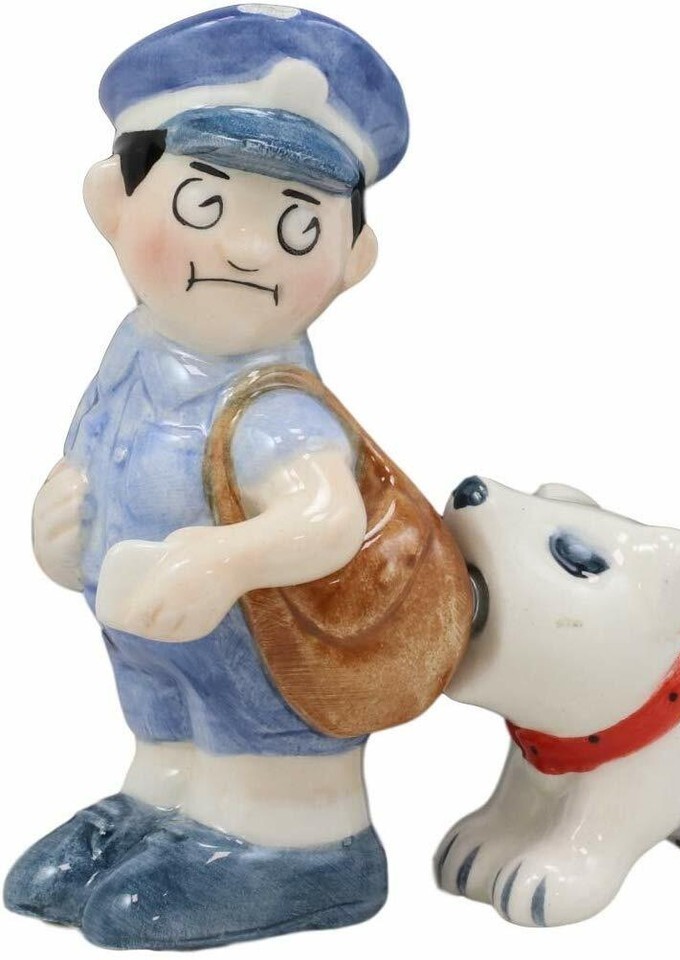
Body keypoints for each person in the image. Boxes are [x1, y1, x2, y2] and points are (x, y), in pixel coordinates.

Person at [5, 5, 414, 948]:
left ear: (352, 261)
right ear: (112, 203)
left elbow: (324, 520)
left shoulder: (272, 403)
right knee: (169, 730)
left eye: (298, 224)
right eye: (205, 203)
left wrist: (225, 560)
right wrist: (58, 531)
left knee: (254, 744)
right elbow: (94, 454)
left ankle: (301, 848)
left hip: (267, 662)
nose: (247, 248)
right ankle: (161, 806)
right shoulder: (133, 353)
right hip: (156, 650)